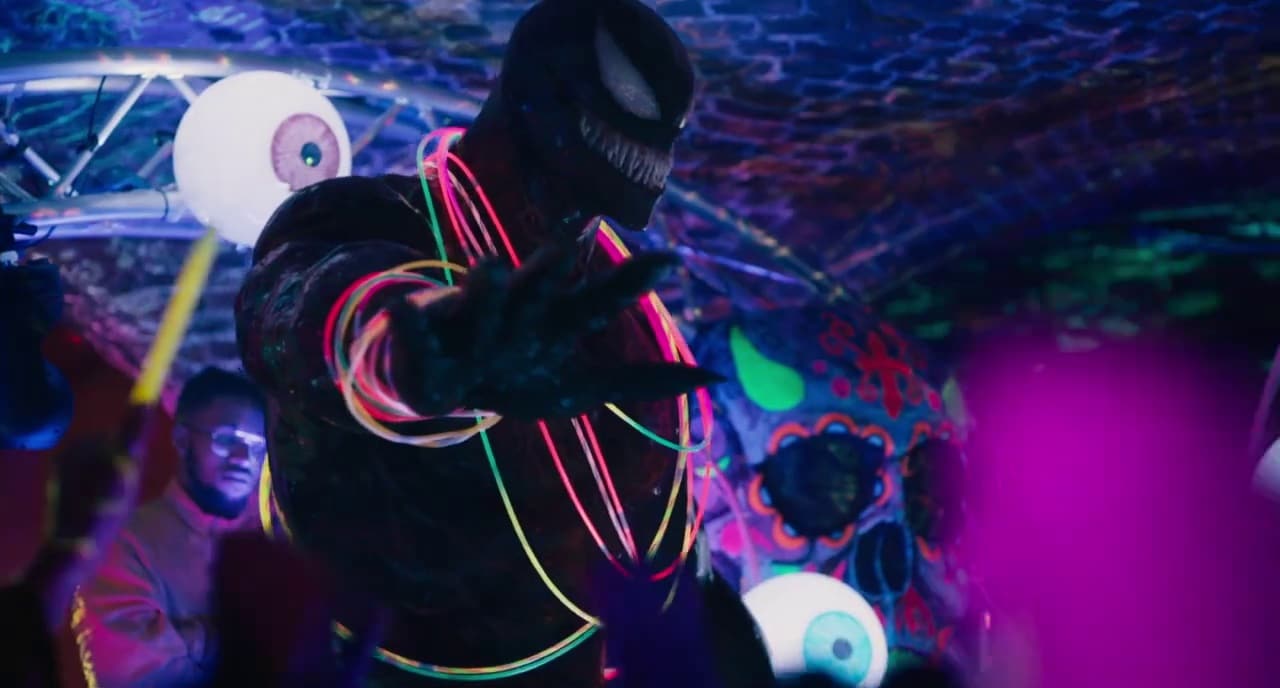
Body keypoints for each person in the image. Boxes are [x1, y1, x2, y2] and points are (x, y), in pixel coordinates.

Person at [73, 367, 266, 688]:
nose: (243, 457)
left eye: (257, 446)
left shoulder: (276, 534)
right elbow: (131, 676)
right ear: (181, 439)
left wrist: (193, 641)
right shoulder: (121, 542)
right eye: (226, 439)